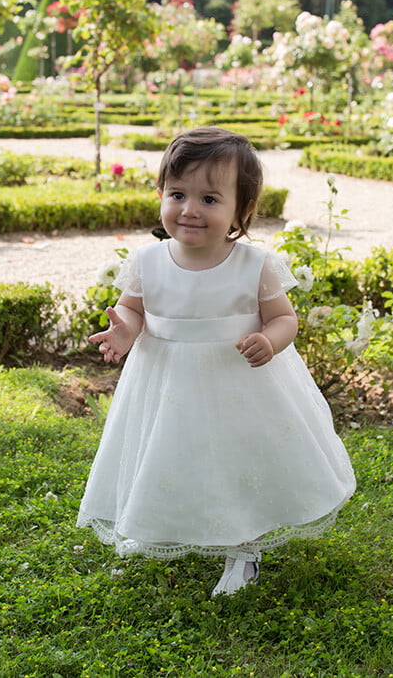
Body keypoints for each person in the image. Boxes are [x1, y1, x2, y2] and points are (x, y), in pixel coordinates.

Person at [76, 126, 355, 596]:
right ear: (161, 195)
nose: (189, 209)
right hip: (167, 384)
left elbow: (284, 318)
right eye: (177, 194)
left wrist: (270, 340)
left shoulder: (253, 264)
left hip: (239, 385)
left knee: (235, 460)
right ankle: (159, 520)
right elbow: (133, 309)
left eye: (209, 199)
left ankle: (242, 547)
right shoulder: (147, 261)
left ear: (241, 211)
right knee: (170, 453)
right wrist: (124, 330)